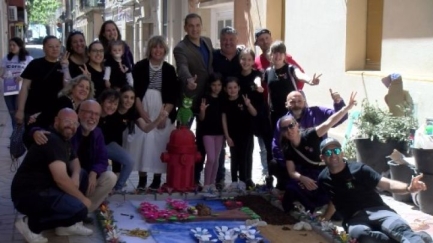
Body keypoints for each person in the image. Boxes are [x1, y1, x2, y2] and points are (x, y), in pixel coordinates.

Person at [318, 137, 433, 243]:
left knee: (399, 228)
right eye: (328, 153)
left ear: (342, 153)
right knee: (361, 237)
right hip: (355, 219)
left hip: (379, 210)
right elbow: (334, 200)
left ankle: (415, 239)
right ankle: (420, 237)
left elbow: (387, 184)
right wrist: (324, 219)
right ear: (322, 158)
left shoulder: (359, 169)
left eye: (336, 151)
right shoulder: (323, 179)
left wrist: (409, 188)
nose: (333, 155)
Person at [11, 108, 93, 243]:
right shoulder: (52, 140)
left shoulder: (64, 139)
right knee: (80, 210)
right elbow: (60, 179)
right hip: (29, 195)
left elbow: (75, 161)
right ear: (56, 121)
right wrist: (83, 199)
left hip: (44, 189)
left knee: (82, 174)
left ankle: (65, 226)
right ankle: (30, 225)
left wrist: (76, 175)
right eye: (67, 121)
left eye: (74, 123)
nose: (71, 126)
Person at [278, 92, 356, 213]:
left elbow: (329, 122)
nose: (289, 130)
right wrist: (302, 178)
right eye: (284, 128)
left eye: (291, 126)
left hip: (325, 171)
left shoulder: (310, 135)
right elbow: (291, 171)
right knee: (291, 189)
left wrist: (346, 108)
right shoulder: (287, 146)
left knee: (336, 206)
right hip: (307, 174)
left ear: (297, 125)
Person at [128, 35, 178, 191]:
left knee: (159, 144)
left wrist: (164, 115)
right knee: (142, 142)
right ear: (149, 49)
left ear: (165, 50)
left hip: (162, 109)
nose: (157, 50)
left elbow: (172, 96)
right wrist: (141, 112)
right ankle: (142, 180)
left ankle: (156, 180)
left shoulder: (169, 69)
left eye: (160, 47)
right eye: (154, 47)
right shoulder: (140, 66)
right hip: (143, 107)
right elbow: (134, 92)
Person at [271, 89, 347, 189]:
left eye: (299, 101)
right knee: (274, 164)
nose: (296, 104)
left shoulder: (317, 112)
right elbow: (277, 145)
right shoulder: (283, 122)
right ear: (286, 104)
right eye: (292, 102)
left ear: (305, 102)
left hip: (318, 159)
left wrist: (338, 102)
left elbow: (340, 118)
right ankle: (283, 187)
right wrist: (290, 164)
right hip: (296, 162)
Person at [264, 40, 321, 131]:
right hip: (275, 113)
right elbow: (270, 93)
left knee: (293, 138)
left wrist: (310, 81)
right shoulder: (268, 72)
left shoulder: (290, 68)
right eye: (275, 53)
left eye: (281, 53)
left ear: (284, 55)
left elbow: (299, 75)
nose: (278, 56)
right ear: (271, 55)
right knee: (278, 140)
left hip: (292, 111)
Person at [212, 26, 243, 189]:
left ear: (237, 41)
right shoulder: (214, 56)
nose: (228, 42)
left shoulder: (242, 56)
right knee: (220, 144)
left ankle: (242, 179)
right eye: (225, 39)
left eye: (231, 39)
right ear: (220, 41)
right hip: (218, 106)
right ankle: (219, 178)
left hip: (237, 108)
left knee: (238, 143)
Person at [71, 100, 117, 209]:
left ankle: (85, 211)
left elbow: (103, 159)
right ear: (80, 113)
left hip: (88, 178)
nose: (93, 117)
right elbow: (51, 131)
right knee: (80, 173)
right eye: (89, 112)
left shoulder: (98, 133)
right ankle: (72, 211)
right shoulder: (71, 129)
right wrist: (35, 131)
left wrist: (94, 172)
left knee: (111, 177)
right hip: (71, 178)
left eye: (96, 114)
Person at [27, 75, 94, 148]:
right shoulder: (64, 102)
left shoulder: (76, 107)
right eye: (81, 86)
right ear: (72, 88)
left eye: (87, 88)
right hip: (42, 140)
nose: (84, 90)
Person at [15, 36, 65, 130]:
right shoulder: (35, 64)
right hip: (33, 111)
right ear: (44, 48)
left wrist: (65, 68)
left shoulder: (64, 66)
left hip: (54, 112)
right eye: (50, 46)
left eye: (57, 46)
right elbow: (24, 87)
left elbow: (68, 88)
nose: (55, 49)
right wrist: (20, 110)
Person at [222, 77, 257, 190]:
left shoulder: (243, 99)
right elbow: (224, 120)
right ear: (226, 89)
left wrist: (248, 104)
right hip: (232, 135)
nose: (232, 90)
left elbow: (254, 113)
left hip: (245, 134)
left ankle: (243, 180)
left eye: (235, 87)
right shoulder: (225, 102)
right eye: (230, 88)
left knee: (243, 157)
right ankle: (233, 181)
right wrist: (227, 136)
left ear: (239, 88)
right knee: (234, 158)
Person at [173, 13, 214, 111]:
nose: (195, 29)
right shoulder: (181, 48)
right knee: (184, 126)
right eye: (191, 26)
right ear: (185, 28)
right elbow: (182, 66)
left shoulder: (207, 41)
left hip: (209, 94)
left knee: (205, 125)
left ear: (201, 26)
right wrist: (188, 79)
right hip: (190, 96)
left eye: (197, 25)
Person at [198, 73, 224, 194]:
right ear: (210, 85)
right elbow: (201, 119)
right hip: (207, 132)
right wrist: (202, 111)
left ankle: (212, 184)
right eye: (214, 85)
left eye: (219, 85)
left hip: (219, 133)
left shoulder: (222, 98)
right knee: (211, 158)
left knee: (216, 159)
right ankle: (206, 184)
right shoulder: (205, 98)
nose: (216, 87)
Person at [0, 37, 33, 129]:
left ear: (20, 46)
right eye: (10, 45)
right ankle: (16, 134)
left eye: (14, 45)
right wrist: (3, 75)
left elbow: (32, 74)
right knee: (12, 112)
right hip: (8, 89)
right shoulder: (6, 58)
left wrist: (22, 77)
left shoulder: (28, 58)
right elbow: (1, 71)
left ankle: (21, 133)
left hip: (21, 90)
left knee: (20, 112)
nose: (11, 47)